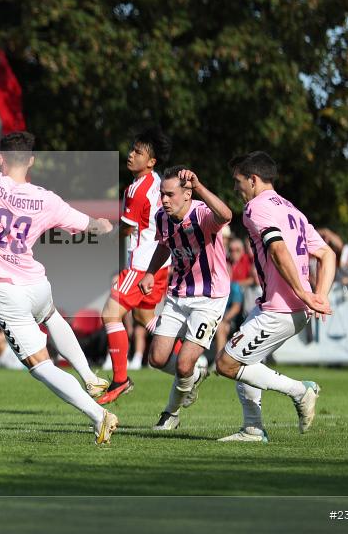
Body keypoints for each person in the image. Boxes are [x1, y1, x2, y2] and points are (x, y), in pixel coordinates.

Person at [0, 97, 118, 445]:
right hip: (37, 283)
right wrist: (105, 225)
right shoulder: (46, 198)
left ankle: (99, 415)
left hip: (5, 291)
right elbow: (90, 225)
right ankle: (89, 374)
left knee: (40, 366)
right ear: (32, 161)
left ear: (2, 159)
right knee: (52, 316)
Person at [214, 151, 335, 442]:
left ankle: (300, 391)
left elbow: (278, 250)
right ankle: (253, 429)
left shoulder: (256, 208)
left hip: (281, 310)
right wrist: (319, 296)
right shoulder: (294, 210)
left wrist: (306, 293)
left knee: (227, 365)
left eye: (238, 181)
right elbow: (327, 254)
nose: (235, 188)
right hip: (281, 307)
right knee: (246, 359)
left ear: (253, 180)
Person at [138, 166, 232, 430]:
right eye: (162, 194)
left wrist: (200, 186)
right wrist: (150, 273)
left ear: (187, 194)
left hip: (209, 297)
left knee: (183, 364)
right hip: (178, 294)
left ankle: (171, 414)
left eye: (170, 195)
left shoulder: (202, 214)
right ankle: (194, 376)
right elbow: (164, 244)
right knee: (156, 358)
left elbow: (225, 215)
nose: (164, 200)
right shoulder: (162, 217)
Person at [97, 126, 172, 404]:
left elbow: (127, 230)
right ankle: (185, 360)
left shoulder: (137, 189)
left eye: (138, 152)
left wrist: (105, 237)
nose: (131, 155)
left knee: (109, 314)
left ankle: (120, 380)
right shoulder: (157, 182)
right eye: (132, 149)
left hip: (142, 265)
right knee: (144, 318)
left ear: (151, 161)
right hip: (160, 262)